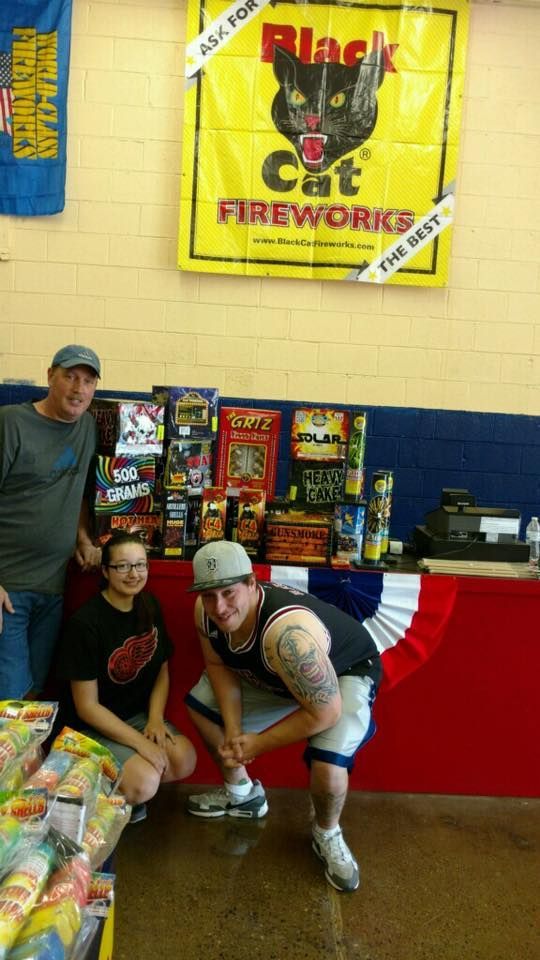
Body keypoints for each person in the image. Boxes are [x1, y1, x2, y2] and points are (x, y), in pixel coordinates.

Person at [184, 540, 382, 893]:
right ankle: (242, 794)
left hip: (341, 673)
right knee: (202, 705)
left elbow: (325, 711)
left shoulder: (287, 634)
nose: (220, 606)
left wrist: (257, 743)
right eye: (209, 595)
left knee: (328, 765)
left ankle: (327, 832)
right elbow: (218, 665)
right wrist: (233, 731)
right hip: (278, 673)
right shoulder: (204, 611)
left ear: (251, 583)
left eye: (229, 593)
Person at [60, 532, 196, 823]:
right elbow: (86, 707)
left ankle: (126, 790)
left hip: (132, 717)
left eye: (140, 565)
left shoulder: (149, 605)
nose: (133, 574)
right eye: (122, 566)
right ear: (106, 572)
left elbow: (162, 667)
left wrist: (156, 718)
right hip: (88, 728)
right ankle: (95, 787)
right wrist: (140, 742)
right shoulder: (85, 624)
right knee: (145, 781)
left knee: (184, 759)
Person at [0, 344, 103, 699]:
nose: (78, 389)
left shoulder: (87, 427)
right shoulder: (11, 422)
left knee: (33, 698)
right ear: (49, 376)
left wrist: (83, 539)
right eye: (70, 377)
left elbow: (76, 491)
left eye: (88, 381)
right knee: (9, 701)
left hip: (53, 589)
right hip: (7, 588)